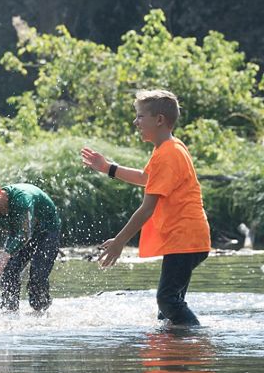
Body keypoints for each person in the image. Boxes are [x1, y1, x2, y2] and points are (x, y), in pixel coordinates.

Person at [80, 89, 211, 326]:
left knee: (167, 301)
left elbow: (146, 209)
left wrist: (119, 242)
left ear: (159, 119)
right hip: (186, 237)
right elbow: (145, 177)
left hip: (185, 238)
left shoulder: (169, 153)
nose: (135, 122)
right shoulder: (167, 148)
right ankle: (176, 346)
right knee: (170, 306)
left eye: (140, 116)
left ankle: (196, 340)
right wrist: (108, 167)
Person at [0, 175, 61, 312]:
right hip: (18, 234)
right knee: (9, 273)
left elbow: (25, 234)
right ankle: (9, 314)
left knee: (37, 278)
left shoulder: (22, 199)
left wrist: (4, 255)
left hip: (47, 232)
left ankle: (42, 315)